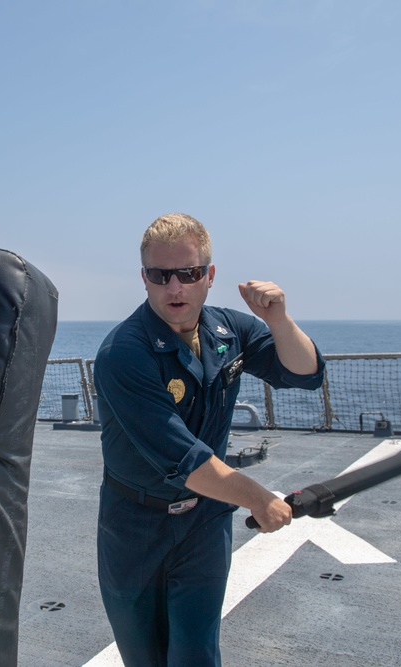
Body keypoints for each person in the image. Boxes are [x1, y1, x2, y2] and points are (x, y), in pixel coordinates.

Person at [94, 213, 326, 666]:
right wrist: (259, 498)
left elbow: (305, 373)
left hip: (204, 524)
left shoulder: (229, 331)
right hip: (136, 528)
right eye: (161, 276)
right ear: (144, 278)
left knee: (197, 653)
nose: (175, 287)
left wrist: (278, 319)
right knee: (145, 657)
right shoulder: (124, 353)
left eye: (189, 273)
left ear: (209, 276)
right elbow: (184, 459)